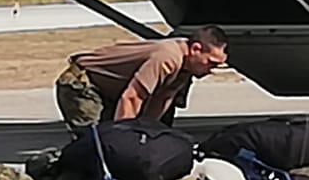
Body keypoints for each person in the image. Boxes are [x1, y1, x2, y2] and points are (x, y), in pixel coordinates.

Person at [53, 27, 228, 130]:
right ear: (196, 49)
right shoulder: (168, 57)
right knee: (95, 145)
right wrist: (126, 141)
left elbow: (163, 98)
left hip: (108, 90)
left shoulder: (186, 66)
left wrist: (146, 131)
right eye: (211, 63)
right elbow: (132, 97)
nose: (211, 70)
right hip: (82, 85)